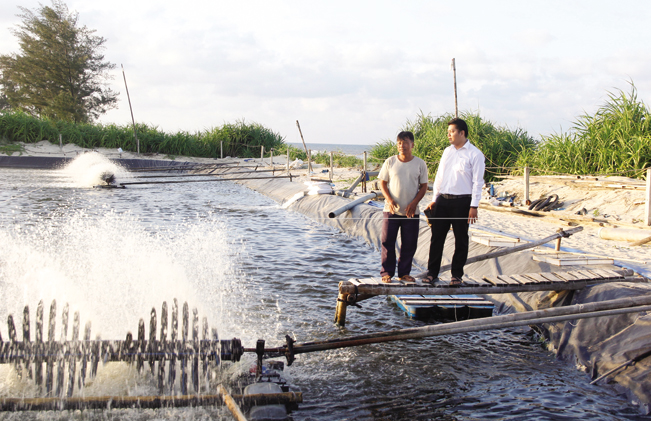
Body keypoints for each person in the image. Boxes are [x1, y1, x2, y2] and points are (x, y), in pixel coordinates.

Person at [424, 118, 485, 285]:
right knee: (437, 238)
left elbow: (478, 182)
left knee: (461, 238)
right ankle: (432, 273)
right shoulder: (447, 151)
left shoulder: (475, 154)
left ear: (462, 133)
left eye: (452, 132)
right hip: (443, 200)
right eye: (448, 132)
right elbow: (440, 176)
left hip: (463, 202)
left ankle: (456, 275)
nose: (449, 135)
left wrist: (474, 206)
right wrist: (435, 198)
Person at [378, 131, 429, 283]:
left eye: (405, 142)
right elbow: (382, 182)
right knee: (387, 241)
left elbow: (424, 186)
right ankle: (386, 273)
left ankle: (404, 273)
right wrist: (389, 199)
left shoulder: (420, 163)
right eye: (399, 143)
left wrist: (414, 203)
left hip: (411, 212)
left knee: (409, 243)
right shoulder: (390, 162)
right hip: (391, 210)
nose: (402, 146)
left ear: (412, 145)